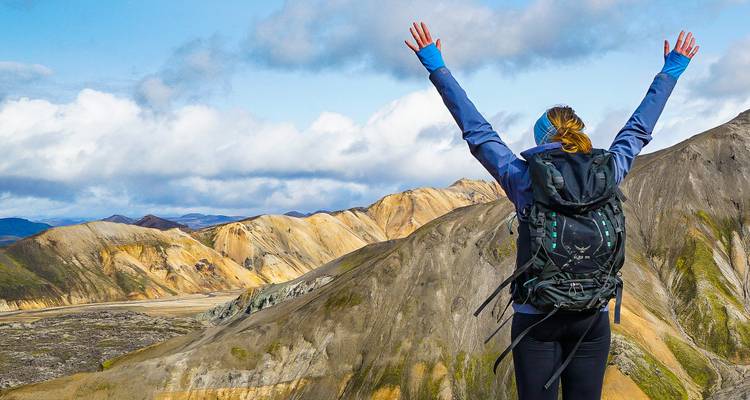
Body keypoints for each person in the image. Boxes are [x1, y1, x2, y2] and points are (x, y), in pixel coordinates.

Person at [405, 22, 698, 400]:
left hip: (536, 321)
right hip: (591, 320)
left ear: (541, 141)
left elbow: (477, 132)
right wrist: (671, 70)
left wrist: (436, 66)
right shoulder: (608, 170)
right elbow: (638, 129)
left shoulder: (524, 179)